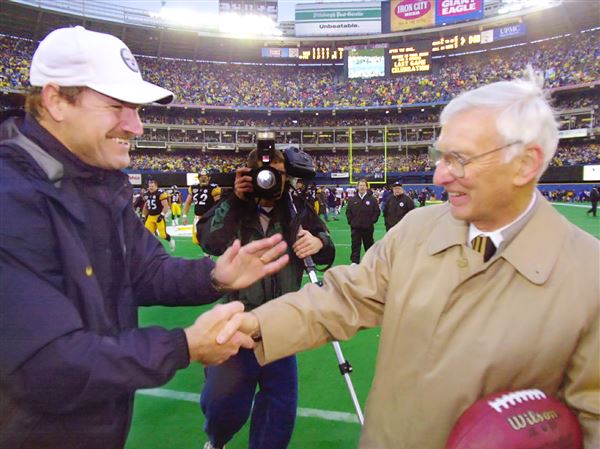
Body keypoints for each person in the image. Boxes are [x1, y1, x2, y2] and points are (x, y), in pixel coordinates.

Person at [217, 72, 599, 449]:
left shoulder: (589, 279)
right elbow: (345, 297)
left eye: (459, 159)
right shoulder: (417, 229)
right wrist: (251, 324)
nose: (439, 176)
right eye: (440, 156)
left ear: (525, 164)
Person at [0, 26, 290, 449]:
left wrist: (216, 276)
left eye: (136, 109)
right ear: (56, 100)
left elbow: (146, 270)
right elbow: (48, 364)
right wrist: (184, 346)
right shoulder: (11, 196)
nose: (135, 126)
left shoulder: (97, 183)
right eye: (117, 106)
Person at [197, 148, 335, 449]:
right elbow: (209, 239)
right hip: (237, 323)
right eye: (262, 172)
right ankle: (216, 441)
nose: (269, 179)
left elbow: (327, 250)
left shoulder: (297, 210)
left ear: (286, 177)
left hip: (281, 325)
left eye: (277, 174)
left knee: (279, 411)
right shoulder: (235, 207)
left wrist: (317, 241)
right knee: (223, 407)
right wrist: (235, 198)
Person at [183, 168, 221, 245]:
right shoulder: (194, 188)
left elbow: (218, 204)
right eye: (201, 177)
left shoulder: (213, 188)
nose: (203, 179)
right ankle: (207, 254)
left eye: (205, 177)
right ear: (198, 178)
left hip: (209, 217)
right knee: (196, 240)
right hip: (198, 217)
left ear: (209, 178)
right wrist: (184, 216)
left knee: (208, 238)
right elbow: (187, 203)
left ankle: (208, 255)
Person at [346, 178, 380, 264]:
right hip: (355, 228)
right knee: (355, 245)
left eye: (363, 185)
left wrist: (371, 221)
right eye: (360, 185)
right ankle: (354, 262)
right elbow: (348, 212)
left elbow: (377, 211)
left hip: (368, 228)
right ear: (357, 187)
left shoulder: (372, 199)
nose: (362, 187)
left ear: (366, 187)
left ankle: (370, 262)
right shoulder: (352, 200)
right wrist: (351, 222)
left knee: (369, 245)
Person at [142, 178, 176, 251]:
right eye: (149, 186)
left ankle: (170, 240)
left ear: (156, 186)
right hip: (150, 217)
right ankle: (152, 249)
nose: (150, 188)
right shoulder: (146, 194)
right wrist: (143, 216)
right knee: (148, 235)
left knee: (163, 235)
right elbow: (146, 206)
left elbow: (166, 206)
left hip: (158, 216)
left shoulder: (160, 194)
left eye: (152, 186)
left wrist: (162, 215)